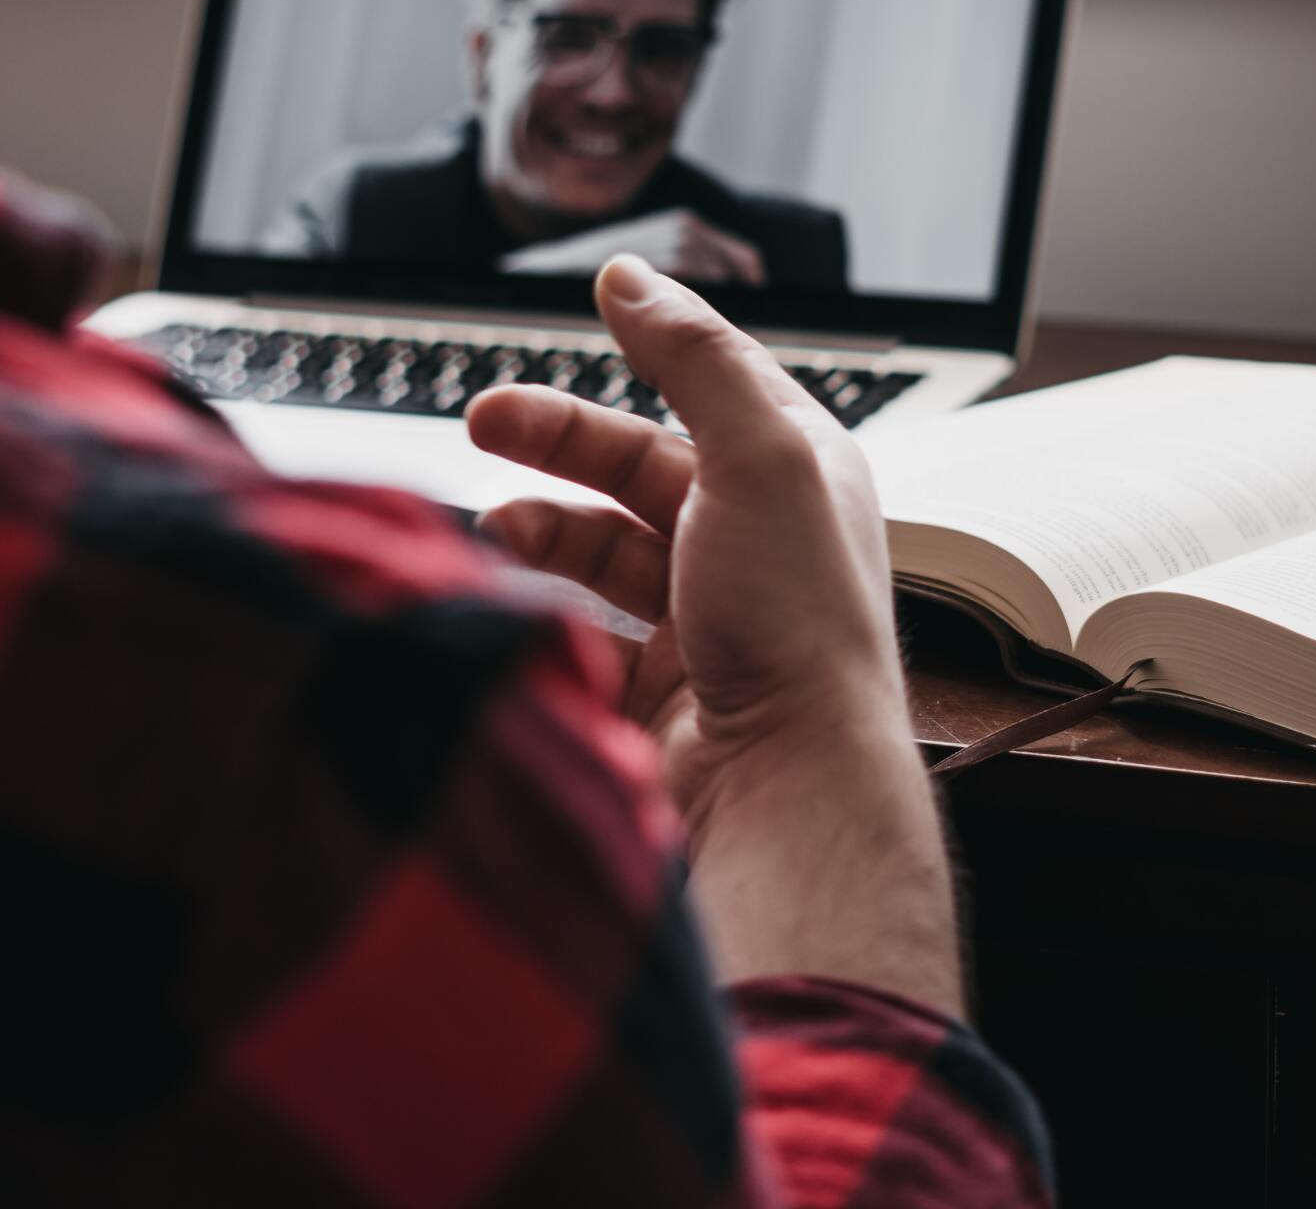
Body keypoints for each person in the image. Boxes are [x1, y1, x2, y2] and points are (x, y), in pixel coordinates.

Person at [0, 167, 1048, 1205]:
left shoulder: (781, 229)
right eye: (568, 52)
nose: (615, 88)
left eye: (661, 67)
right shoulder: (324, 685)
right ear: (481, 67)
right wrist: (811, 735)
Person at [269, 0, 849, 290]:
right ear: (483, 58)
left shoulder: (788, 256)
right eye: (568, 38)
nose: (613, 94)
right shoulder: (359, 215)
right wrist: (573, 278)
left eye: (663, 48)